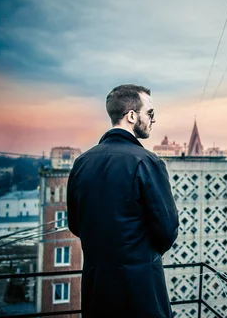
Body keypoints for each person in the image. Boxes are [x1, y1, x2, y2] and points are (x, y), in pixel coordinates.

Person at [67, 84, 179, 317]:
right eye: (149, 113)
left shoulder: (82, 162)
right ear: (131, 116)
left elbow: (75, 225)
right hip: (140, 290)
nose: (152, 120)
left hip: (96, 289)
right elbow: (167, 228)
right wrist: (141, 255)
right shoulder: (147, 161)